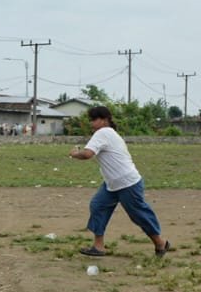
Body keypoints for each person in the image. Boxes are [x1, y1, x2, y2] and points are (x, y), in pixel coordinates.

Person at [70, 104, 173, 259]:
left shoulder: (103, 132)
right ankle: (98, 246)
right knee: (98, 205)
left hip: (127, 183)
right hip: (113, 183)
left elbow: (88, 154)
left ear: (104, 120)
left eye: (94, 120)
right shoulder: (109, 133)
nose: (91, 123)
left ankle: (160, 243)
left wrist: (74, 153)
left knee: (138, 214)